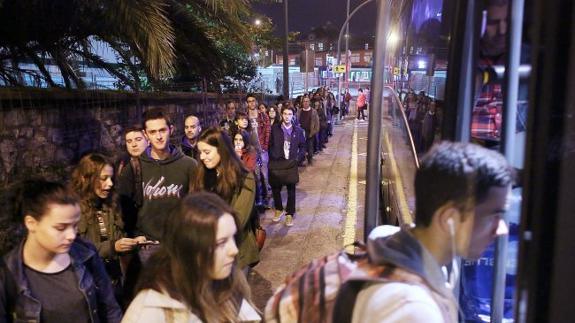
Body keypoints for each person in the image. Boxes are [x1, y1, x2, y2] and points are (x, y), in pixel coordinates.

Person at [350, 142, 513, 322]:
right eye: (492, 216)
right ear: (448, 219)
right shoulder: (413, 309)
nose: (502, 229)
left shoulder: (398, 251)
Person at [122, 193, 260, 323]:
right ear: (191, 249)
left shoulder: (226, 285)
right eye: (221, 243)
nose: (234, 250)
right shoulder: (150, 312)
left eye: (233, 238)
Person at [0, 179, 122, 322]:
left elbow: (110, 308)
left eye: (75, 226)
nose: (71, 235)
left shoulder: (86, 253)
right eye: (60, 228)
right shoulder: (8, 274)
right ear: (31, 223)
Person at [117, 108, 197, 262]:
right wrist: (131, 236)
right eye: (153, 132)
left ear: (171, 130)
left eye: (162, 130)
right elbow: (121, 207)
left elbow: (199, 205)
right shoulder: (134, 168)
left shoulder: (190, 166)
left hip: (181, 245)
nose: (159, 136)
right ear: (146, 134)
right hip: (148, 248)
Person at [70, 153, 148, 296]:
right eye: (103, 178)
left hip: (112, 280)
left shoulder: (111, 204)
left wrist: (131, 243)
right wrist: (113, 247)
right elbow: (78, 250)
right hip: (87, 284)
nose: (110, 184)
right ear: (86, 178)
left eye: (111, 178)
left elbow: (117, 236)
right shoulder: (73, 209)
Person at [190, 128, 259, 269]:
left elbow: (239, 219)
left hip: (236, 251)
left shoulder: (244, 177)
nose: (202, 157)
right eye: (200, 152)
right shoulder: (200, 174)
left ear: (221, 150)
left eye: (207, 152)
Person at [268, 106, 306, 227]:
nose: (287, 116)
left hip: (291, 163)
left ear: (293, 115)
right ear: (281, 114)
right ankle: (278, 209)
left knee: (291, 189)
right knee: (276, 187)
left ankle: (289, 213)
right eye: (285, 114)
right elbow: (270, 144)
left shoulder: (298, 130)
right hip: (277, 162)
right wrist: (274, 156)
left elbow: (303, 146)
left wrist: (297, 159)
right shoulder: (275, 129)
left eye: (289, 114)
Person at [296, 96, 319, 166]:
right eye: (304, 101)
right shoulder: (299, 111)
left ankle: (310, 159)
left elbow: (317, 123)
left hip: (310, 133)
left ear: (309, 102)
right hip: (300, 133)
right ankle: (301, 160)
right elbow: (296, 121)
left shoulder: (313, 111)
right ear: (302, 103)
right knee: (301, 147)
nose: (305, 103)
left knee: (310, 147)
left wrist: (314, 132)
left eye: (307, 101)